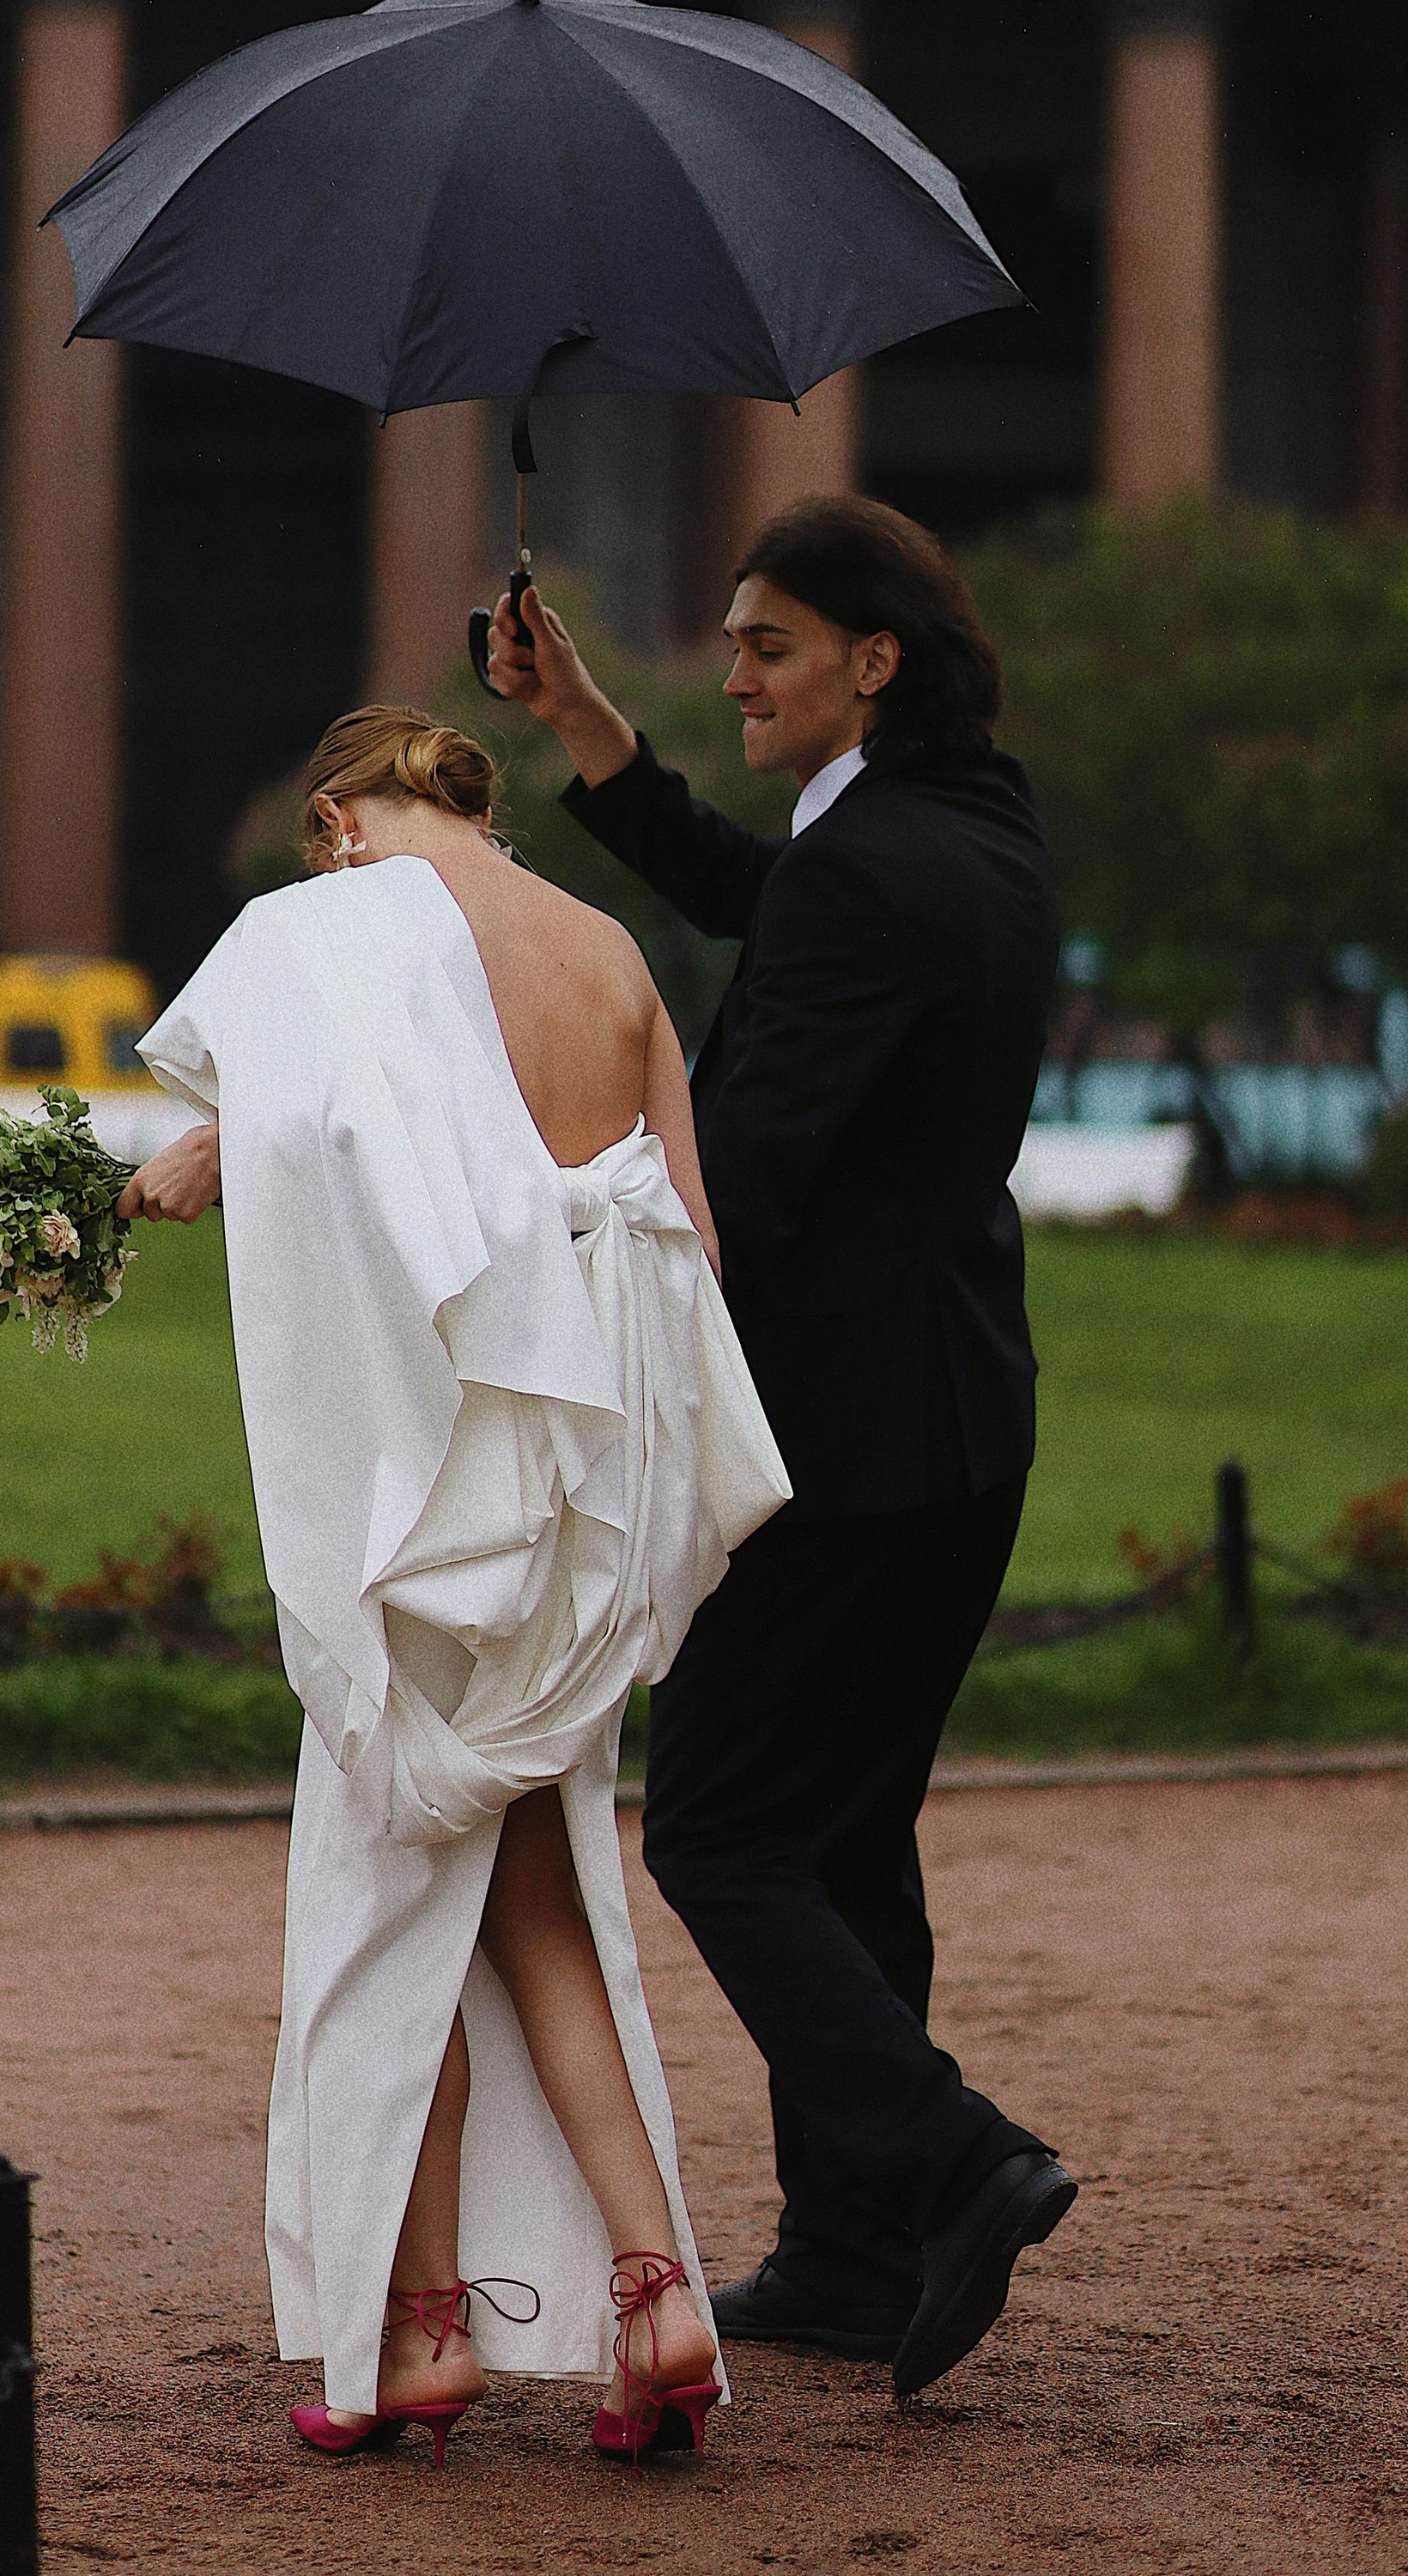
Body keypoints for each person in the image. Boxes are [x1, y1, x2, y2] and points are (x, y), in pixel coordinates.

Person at [116, 707, 791, 2467]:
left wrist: (192, 1157)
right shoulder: (609, 948)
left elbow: (363, 1187)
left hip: (438, 1503)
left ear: (342, 818)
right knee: (528, 1904)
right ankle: (651, 2295)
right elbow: (690, 1249)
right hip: (588, 1499)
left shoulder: (344, 932)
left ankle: (414, 2340)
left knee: (372, 1910)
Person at [485, 494, 1075, 2403]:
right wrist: (592, 737)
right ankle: (840, 2255)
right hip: (962, 1417)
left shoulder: (871, 868)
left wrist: (535, 1239)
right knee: (842, 1833)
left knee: (727, 1828)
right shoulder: (966, 826)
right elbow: (775, 900)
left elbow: (752, 1177)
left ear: (867, 662)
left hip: (838, 1438)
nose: (728, 668)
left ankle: (949, 2161)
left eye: (764, 646)